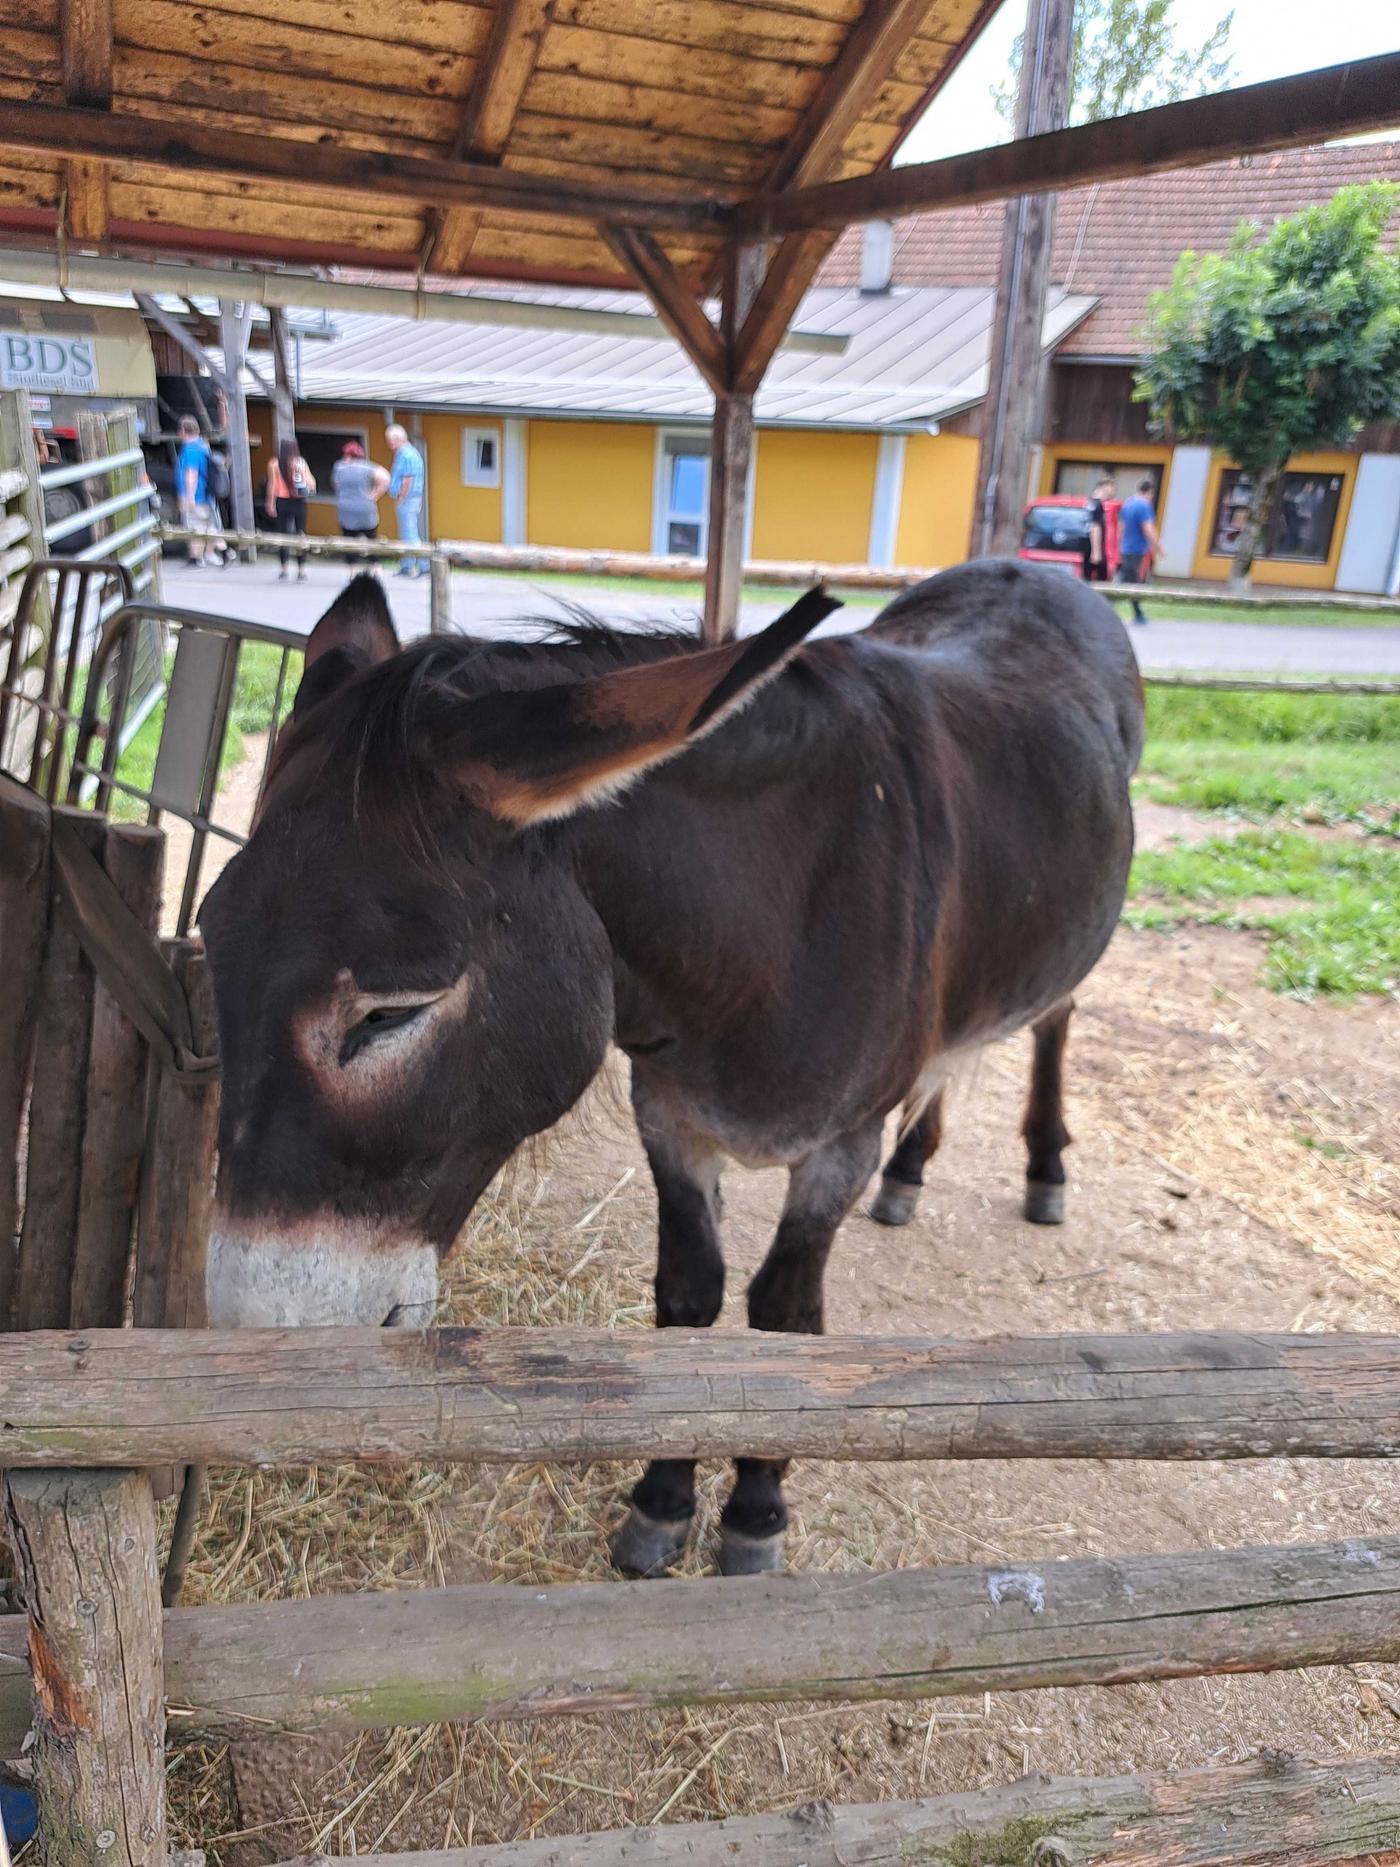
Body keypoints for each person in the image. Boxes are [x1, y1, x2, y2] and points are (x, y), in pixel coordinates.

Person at [265, 436, 316, 582]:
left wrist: (270, 503)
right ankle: (301, 570)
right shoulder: (301, 463)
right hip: (299, 501)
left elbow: (273, 485)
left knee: (282, 535)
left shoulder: (274, 464)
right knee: (300, 534)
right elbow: (312, 483)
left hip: (282, 501)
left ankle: (284, 569)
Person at [331, 440, 389, 561]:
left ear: (346, 454)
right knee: (372, 540)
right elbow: (386, 478)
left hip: (346, 509)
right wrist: (375, 494)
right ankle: (376, 568)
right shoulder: (367, 466)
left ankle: (353, 572)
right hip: (365, 507)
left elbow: (335, 484)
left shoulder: (339, 467)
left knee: (349, 543)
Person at [386, 422, 427, 577]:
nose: (389, 444)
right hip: (407, 498)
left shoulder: (407, 454)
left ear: (398, 439)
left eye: (390, 440)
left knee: (410, 533)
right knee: (406, 533)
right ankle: (408, 564)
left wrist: (401, 498)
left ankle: (424, 565)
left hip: (408, 499)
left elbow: (407, 479)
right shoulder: (403, 453)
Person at [1116, 477, 1158, 625]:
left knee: (1128, 579)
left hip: (1126, 547)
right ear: (1149, 492)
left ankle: (1137, 612)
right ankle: (1138, 613)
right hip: (1137, 548)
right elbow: (1148, 527)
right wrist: (1157, 546)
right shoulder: (1144, 506)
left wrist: (1118, 544)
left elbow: (1121, 527)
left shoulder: (1128, 503)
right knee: (1132, 582)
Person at [175, 415, 216, 567]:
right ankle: (210, 554)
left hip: (195, 494)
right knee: (207, 524)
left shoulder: (190, 450)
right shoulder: (203, 446)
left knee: (194, 526)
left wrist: (189, 496)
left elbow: (191, 473)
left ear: (183, 431)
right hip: (205, 493)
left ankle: (196, 558)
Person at [1083, 472, 1116, 582]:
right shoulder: (1097, 505)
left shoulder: (1090, 503)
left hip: (1086, 546)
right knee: (1103, 577)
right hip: (1093, 547)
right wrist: (1096, 552)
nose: (1112, 492)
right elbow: (1095, 527)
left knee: (1087, 577)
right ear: (1105, 488)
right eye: (1112, 488)